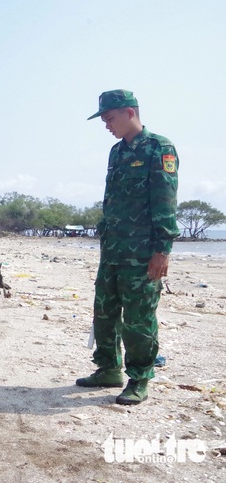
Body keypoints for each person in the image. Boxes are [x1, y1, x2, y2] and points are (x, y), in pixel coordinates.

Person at [77, 90, 179, 405]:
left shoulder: (159, 148)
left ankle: (139, 379)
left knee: (138, 318)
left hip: (142, 253)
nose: (107, 125)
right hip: (113, 252)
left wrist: (163, 250)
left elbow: (165, 202)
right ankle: (108, 368)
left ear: (130, 112)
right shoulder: (116, 152)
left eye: (109, 118)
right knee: (104, 313)